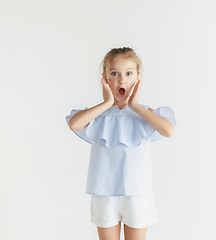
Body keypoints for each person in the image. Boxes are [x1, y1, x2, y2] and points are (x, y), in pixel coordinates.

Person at [66, 47, 176, 240]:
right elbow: (74, 124)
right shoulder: (99, 115)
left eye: (128, 73)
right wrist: (107, 103)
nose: (122, 80)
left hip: (137, 193)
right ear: (105, 78)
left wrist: (135, 106)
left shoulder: (144, 113)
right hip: (104, 193)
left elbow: (168, 130)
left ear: (137, 79)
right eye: (114, 73)